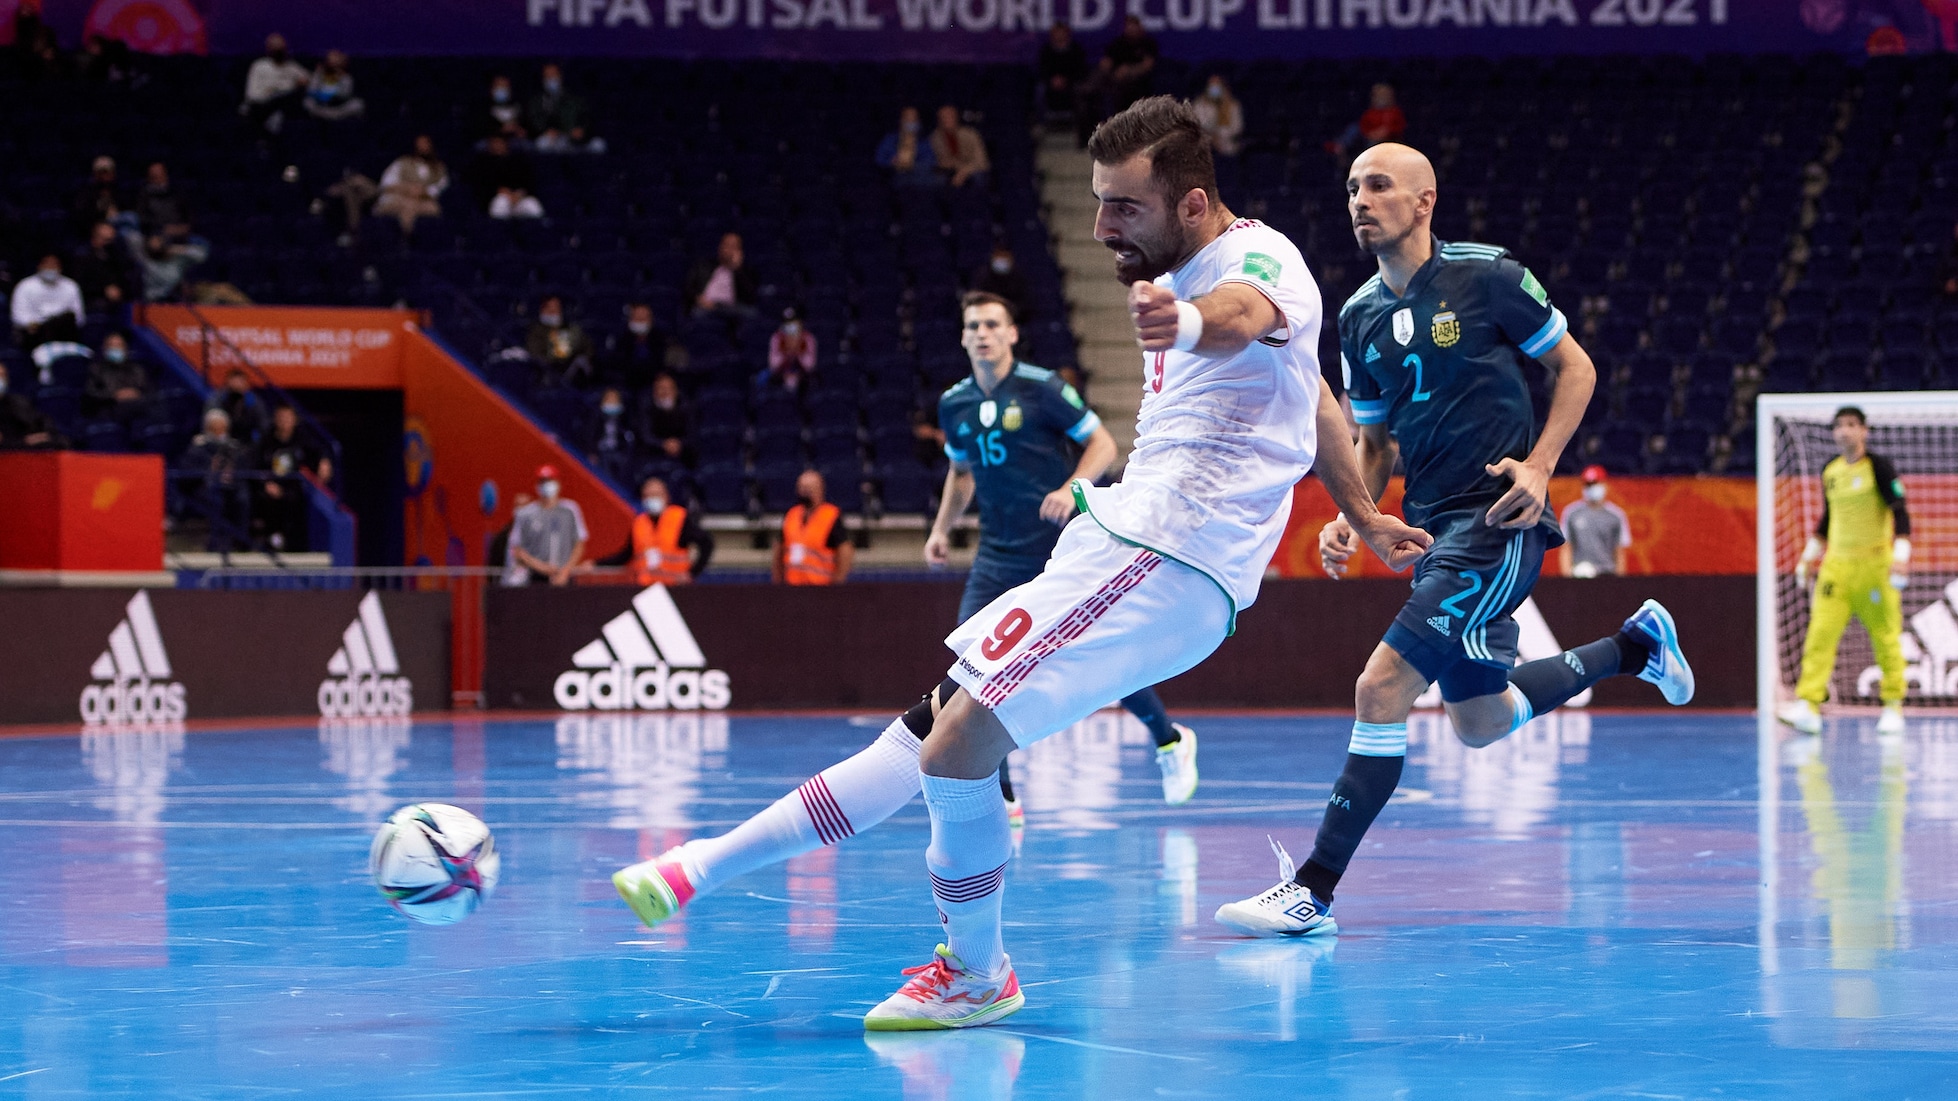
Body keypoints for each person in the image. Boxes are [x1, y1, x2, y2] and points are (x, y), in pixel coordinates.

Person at [611, 98, 1429, 1031]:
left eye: (1125, 207)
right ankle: (698, 867)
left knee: (957, 748)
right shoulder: (1180, 269)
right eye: (1098, 202)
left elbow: (1238, 318)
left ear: (1193, 205)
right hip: (1125, 543)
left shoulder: (1255, 262)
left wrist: (1186, 322)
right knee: (927, 731)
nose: (1102, 226)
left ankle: (976, 972)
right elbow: (1311, 390)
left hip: (1168, 557)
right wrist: (1364, 513)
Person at [1211, 142, 1695, 941]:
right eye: (1351, 188)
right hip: (1436, 529)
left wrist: (1542, 466)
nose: (1359, 200)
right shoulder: (1359, 316)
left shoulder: (1489, 275)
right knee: (1480, 720)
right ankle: (1633, 646)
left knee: (1380, 688)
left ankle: (1311, 891)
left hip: (1500, 518)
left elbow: (1576, 369)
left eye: (1378, 186)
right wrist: (1353, 513)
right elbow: (1374, 443)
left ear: (1424, 200)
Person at [927, 289, 1198, 809]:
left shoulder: (1042, 387)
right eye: (974, 326)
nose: (982, 334)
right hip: (996, 555)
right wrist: (941, 530)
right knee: (974, 667)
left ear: (1011, 334)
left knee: (1093, 659)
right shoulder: (954, 404)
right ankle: (1004, 798)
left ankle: (1169, 739)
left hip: (1056, 552)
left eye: (992, 324)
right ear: (962, 337)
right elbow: (960, 474)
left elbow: (1103, 444)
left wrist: (1071, 487)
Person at [1778, 406, 1911, 737]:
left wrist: (1901, 555)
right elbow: (1827, 518)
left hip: (1874, 566)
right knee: (1820, 634)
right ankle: (1809, 705)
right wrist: (1809, 557)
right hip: (1836, 567)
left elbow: (1901, 512)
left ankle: (1892, 705)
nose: (1845, 431)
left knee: (1885, 636)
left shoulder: (1879, 468)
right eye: (1839, 426)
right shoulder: (1831, 471)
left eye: (1852, 425)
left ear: (1864, 431)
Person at [597, 476, 715, 586]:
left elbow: (706, 543)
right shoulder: (639, 523)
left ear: (666, 496)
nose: (652, 499)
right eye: (648, 496)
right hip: (646, 587)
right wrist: (596, 564)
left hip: (674, 587)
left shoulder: (679, 518)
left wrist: (692, 573)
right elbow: (626, 555)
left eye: (656, 495)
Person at [253, 403, 331, 551]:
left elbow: (321, 451)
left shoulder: (303, 438)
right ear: (275, 418)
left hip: (294, 488)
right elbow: (256, 465)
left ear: (295, 420)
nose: (284, 421)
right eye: (281, 417)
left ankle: (297, 545)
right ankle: (272, 541)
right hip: (271, 487)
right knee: (265, 500)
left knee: (300, 501)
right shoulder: (266, 439)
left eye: (288, 418)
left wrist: (324, 461)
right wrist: (266, 483)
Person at [1076, 16, 1157, 145]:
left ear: (1139, 27)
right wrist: (1109, 70)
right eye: (1129, 26)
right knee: (1092, 89)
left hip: (1137, 82)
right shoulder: (1118, 43)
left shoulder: (1147, 44)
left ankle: (1121, 131)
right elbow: (1107, 62)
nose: (1131, 29)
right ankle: (1088, 92)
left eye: (1134, 26)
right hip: (1113, 79)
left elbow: (1147, 66)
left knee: (1120, 89)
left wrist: (1129, 70)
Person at [504, 465, 588, 586]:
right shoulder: (525, 514)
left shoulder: (570, 510)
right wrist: (542, 567)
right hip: (535, 578)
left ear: (558, 483)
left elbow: (579, 543)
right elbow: (516, 549)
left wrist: (565, 571)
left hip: (565, 577)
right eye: (543, 481)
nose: (547, 485)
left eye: (550, 481)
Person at [180, 408, 250, 550]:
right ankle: (216, 544)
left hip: (231, 485)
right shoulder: (197, 448)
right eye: (214, 429)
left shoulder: (234, 447)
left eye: (221, 429)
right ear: (207, 428)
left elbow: (243, 469)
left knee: (243, 498)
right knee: (217, 499)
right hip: (203, 487)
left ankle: (242, 542)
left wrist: (231, 472)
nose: (218, 433)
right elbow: (187, 475)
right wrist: (209, 468)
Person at [774, 469, 852, 585]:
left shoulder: (830, 515)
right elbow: (779, 549)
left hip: (820, 586)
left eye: (808, 488)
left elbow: (845, 551)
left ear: (820, 490)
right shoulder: (791, 514)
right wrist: (778, 581)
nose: (804, 492)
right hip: (792, 585)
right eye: (801, 488)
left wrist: (837, 583)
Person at [1560, 465, 1631, 577]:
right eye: (1588, 485)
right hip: (1580, 573)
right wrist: (1567, 577)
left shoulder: (1616, 516)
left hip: (1607, 574)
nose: (1592, 488)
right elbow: (1567, 548)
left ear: (1605, 485)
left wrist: (1620, 580)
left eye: (1596, 484)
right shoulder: (1572, 513)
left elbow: (1619, 551)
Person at [372, 135, 448, 234]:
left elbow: (441, 186)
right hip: (399, 198)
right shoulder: (402, 163)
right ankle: (406, 238)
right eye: (420, 144)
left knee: (433, 208)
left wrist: (424, 192)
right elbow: (386, 183)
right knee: (409, 207)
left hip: (423, 200)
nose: (423, 147)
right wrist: (406, 189)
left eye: (426, 144)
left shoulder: (439, 168)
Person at [526, 64, 604, 154]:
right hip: (555, 139)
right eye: (548, 76)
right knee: (543, 144)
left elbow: (584, 117)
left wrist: (581, 129)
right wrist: (547, 131)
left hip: (576, 139)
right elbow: (536, 121)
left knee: (599, 144)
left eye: (553, 75)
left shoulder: (573, 98)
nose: (551, 79)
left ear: (560, 76)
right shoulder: (537, 101)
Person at [242, 33, 310, 136]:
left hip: (284, 105)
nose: (278, 49)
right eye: (275, 47)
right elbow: (251, 94)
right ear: (268, 49)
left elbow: (307, 79)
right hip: (261, 104)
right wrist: (270, 93)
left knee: (283, 108)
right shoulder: (259, 66)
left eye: (281, 47)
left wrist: (302, 82)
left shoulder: (292, 66)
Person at [11, 255, 84, 351]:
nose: (50, 268)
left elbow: (78, 316)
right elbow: (18, 315)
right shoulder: (25, 285)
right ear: (39, 266)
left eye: (54, 265)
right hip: (35, 332)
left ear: (60, 268)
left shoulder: (71, 286)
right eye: (47, 265)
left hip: (64, 332)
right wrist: (32, 324)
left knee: (67, 319)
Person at [685, 233, 758, 320]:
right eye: (726, 245)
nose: (729, 250)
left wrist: (737, 270)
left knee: (751, 313)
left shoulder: (747, 271)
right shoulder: (703, 266)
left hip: (732, 307)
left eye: (733, 247)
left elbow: (750, 297)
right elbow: (689, 288)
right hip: (707, 305)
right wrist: (699, 299)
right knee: (697, 314)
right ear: (720, 247)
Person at [83, 332, 151, 425]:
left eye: (119, 345)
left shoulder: (137, 369)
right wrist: (113, 396)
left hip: (137, 411)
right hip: (109, 413)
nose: (115, 349)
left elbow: (149, 390)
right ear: (105, 349)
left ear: (126, 348)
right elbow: (91, 393)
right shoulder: (96, 369)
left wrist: (135, 393)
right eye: (111, 345)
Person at [470, 136, 544, 220]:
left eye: (499, 143)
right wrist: (501, 191)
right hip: (501, 197)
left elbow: (529, 183)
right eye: (494, 143)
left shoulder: (519, 161)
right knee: (500, 204)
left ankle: (542, 226)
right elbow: (484, 186)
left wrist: (519, 194)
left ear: (505, 144)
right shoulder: (484, 163)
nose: (497, 146)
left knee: (532, 205)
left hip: (519, 198)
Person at [525, 295, 593, 385]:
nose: (554, 312)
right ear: (543, 310)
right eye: (550, 308)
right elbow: (535, 353)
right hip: (548, 371)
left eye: (557, 308)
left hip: (569, 369)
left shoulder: (570, 328)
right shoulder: (536, 330)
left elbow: (586, 347)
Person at [1328, 83, 1407, 159]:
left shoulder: (1395, 112)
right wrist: (1371, 134)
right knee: (1354, 129)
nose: (1382, 99)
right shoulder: (1370, 113)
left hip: (1390, 140)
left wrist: (1387, 132)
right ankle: (1340, 145)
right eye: (1379, 96)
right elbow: (1364, 126)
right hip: (1370, 139)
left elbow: (1400, 126)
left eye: (1384, 96)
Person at [601, 303, 667, 391]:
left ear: (650, 320)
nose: (640, 322)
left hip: (653, 382)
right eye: (637, 318)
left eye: (643, 319)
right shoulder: (619, 338)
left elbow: (663, 364)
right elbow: (613, 364)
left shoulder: (660, 338)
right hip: (624, 383)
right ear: (630, 319)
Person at [0, 362, 64, 449]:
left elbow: (43, 426)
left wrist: (44, 437)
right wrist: (23, 442)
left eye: (3, 376)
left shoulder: (19, 403)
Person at [583, 387, 638, 483]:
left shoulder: (625, 417)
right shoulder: (595, 415)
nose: (612, 401)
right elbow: (589, 434)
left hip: (619, 451)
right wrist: (591, 452)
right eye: (609, 398)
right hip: (601, 451)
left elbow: (631, 434)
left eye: (614, 398)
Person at [72, 221, 130, 313]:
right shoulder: (82, 256)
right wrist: (104, 290)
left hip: (117, 300)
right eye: (106, 239)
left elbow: (124, 276)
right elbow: (79, 284)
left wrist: (119, 290)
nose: (109, 243)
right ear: (95, 238)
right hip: (91, 301)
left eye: (111, 239)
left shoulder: (115, 255)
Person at [1036, 22, 1088, 122]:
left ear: (1067, 33)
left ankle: (1079, 123)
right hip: (1050, 82)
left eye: (1062, 32)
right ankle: (1041, 123)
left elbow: (1081, 70)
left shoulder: (1076, 50)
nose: (1059, 35)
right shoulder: (1046, 50)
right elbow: (1041, 69)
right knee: (1039, 90)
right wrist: (1052, 80)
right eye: (1057, 32)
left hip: (1071, 82)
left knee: (1081, 90)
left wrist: (1066, 80)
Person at [930, 105, 990, 189]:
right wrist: (944, 163)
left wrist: (963, 173)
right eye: (943, 117)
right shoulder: (935, 137)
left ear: (956, 118)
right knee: (936, 178)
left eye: (950, 117)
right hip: (951, 170)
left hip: (972, 169)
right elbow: (939, 160)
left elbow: (982, 162)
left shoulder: (971, 134)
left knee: (978, 177)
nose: (946, 120)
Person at [876, 107, 938, 188]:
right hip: (894, 177)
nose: (911, 121)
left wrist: (913, 164)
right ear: (901, 120)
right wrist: (891, 162)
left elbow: (931, 161)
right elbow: (879, 159)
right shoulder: (890, 139)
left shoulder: (924, 142)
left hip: (917, 177)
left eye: (914, 118)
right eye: (907, 118)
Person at [207, 368, 269, 446]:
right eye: (233, 382)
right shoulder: (218, 400)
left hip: (247, 442)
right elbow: (209, 423)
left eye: (240, 382)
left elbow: (263, 425)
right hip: (222, 443)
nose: (236, 386)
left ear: (246, 385)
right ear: (227, 384)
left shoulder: (254, 402)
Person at [641, 374, 693, 465]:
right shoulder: (646, 408)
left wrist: (678, 444)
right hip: (653, 454)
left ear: (676, 391)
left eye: (669, 388)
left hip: (683, 454)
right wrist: (663, 444)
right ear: (654, 392)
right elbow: (645, 436)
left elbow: (692, 433)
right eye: (661, 388)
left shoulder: (686, 407)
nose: (665, 392)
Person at [303, 50, 364, 122]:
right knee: (307, 102)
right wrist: (318, 75)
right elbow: (311, 90)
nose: (334, 66)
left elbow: (345, 94)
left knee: (358, 104)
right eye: (331, 62)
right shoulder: (319, 75)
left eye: (337, 64)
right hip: (321, 108)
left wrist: (338, 80)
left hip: (340, 109)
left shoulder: (346, 78)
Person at [766, 308, 817, 392]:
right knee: (763, 378)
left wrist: (796, 352)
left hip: (802, 374)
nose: (791, 326)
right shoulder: (777, 337)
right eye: (787, 324)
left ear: (800, 323)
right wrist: (787, 353)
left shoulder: (808, 337)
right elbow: (773, 364)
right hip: (781, 373)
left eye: (793, 323)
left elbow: (810, 365)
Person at [1194, 74, 1244, 159]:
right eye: (1212, 85)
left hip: (1226, 145)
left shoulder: (1233, 105)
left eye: (1217, 85)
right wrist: (1212, 137)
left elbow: (1237, 127)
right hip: (1204, 144)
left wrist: (1221, 136)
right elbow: (1196, 125)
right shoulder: (1199, 104)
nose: (1214, 88)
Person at [134, 162, 190, 239]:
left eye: (160, 175)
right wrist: (162, 228)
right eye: (154, 176)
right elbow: (143, 219)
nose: (158, 179)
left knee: (200, 243)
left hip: (180, 233)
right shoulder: (144, 196)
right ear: (149, 178)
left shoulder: (177, 193)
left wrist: (181, 228)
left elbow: (187, 217)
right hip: (157, 234)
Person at [71, 155, 123, 235]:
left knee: (130, 218)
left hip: (120, 224)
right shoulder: (86, 193)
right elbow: (82, 216)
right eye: (102, 172)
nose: (105, 175)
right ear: (95, 174)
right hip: (96, 226)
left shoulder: (118, 190)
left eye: (108, 171)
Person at [970, 244, 1028, 315]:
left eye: (1004, 256)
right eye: (999, 256)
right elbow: (977, 300)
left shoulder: (1018, 279)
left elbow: (1023, 305)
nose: (1001, 260)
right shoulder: (982, 277)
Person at [479, 74, 528, 147]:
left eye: (505, 86)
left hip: (514, 140)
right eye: (499, 86)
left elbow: (525, 124)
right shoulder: (483, 107)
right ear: (491, 88)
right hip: (491, 140)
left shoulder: (518, 105)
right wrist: (501, 130)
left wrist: (520, 129)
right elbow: (481, 128)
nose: (502, 89)